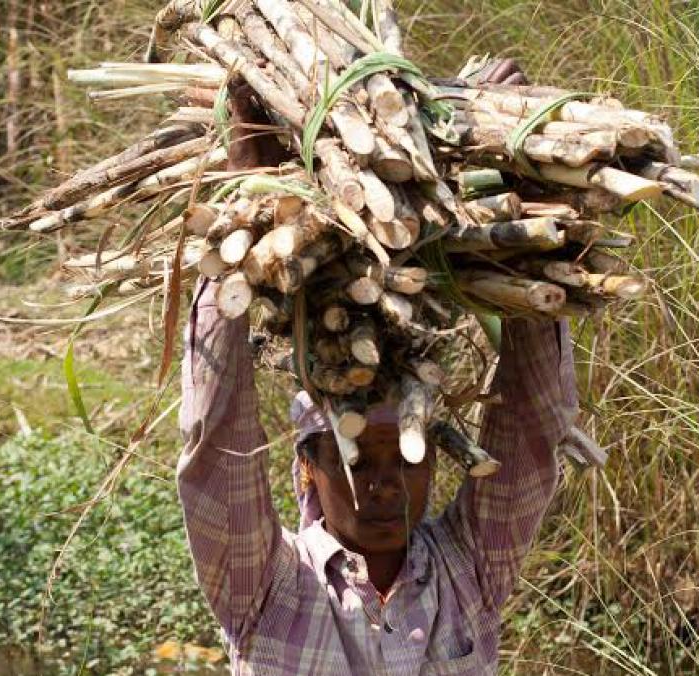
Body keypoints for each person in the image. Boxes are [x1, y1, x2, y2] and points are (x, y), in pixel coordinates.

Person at [177, 61, 578, 674]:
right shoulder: (265, 585)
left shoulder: (469, 568)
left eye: (410, 459)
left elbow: (531, 428)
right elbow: (217, 442)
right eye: (357, 459)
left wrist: (526, 223)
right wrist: (246, 204)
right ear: (308, 468)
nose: (385, 485)